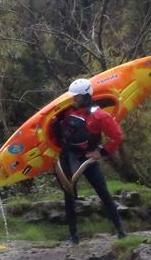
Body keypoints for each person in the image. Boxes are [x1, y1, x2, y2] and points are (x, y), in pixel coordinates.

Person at [53, 78, 127, 243]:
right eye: (73, 97)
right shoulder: (67, 111)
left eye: (77, 97)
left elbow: (117, 137)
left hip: (87, 158)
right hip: (68, 155)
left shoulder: (100, 115)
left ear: (86, 96)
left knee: (103, 193)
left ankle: (121, 231)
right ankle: (73, 236)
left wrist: (101, 152)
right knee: (69, 195)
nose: (74, 100)